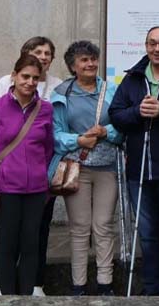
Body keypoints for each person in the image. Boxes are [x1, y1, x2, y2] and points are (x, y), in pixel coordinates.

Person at [0, 36, 61, 297]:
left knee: (31, 243)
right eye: (25, 77)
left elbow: (47, 149)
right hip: (4, 189)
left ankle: (28, 293)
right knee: (7, 244)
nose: (30, 82)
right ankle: (7, 295)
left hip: (35, 190)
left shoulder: (44, 109)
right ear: (14, 76)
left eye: (34, 78)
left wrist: (43, 182)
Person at [108, 26, 159, 296]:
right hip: (138, 171)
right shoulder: (133, 78)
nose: (158, 49)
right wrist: (138, 111)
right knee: (146, 233)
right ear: (145, 46)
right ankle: (151, 288)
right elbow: (116, 114)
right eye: (152, 43)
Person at [48, 40, 123, 296]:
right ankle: (78, 285)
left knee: (103, 226)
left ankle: (105, 284)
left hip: (107, 168)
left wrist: (106, 131)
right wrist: (77, 140)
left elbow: (123, 128)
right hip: (74, 168)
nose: (90, 64)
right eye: (84, 60)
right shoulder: (61, 93)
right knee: (79, 227)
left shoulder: (112, 91)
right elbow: (55, 134)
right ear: (73, 66)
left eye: (93, 59)